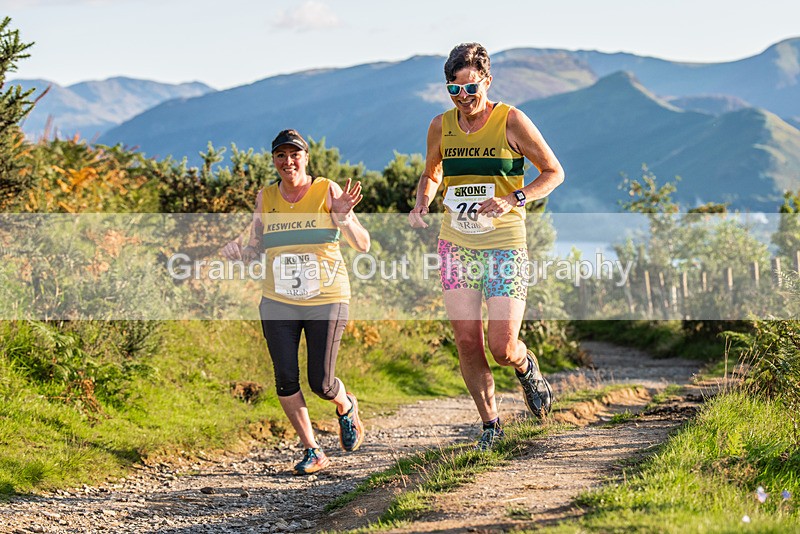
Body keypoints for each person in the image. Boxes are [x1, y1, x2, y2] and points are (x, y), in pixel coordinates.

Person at [408, 43, 565, 451]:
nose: (463, 98)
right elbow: (432, 171)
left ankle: (525, 365)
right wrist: (423, 197)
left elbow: (554, 172)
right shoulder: (440, 126)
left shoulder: (511, 120)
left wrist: (515, 198)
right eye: (454, 90)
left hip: (504, 243)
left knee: (501, 346)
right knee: (465, 340)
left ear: (487, 80)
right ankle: (491, 424)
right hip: (456, 242)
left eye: (470, 87)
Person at [222, 129, 370, 474]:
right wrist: (238, 255)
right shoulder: (267, 197)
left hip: (327, 298)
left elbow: (362, 244)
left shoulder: (327, 190)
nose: (288, 162)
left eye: (294, 155)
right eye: (280, 156)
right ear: (274, 160)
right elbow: (257, 250)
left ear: (306, 158)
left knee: (321, 383)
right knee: (285, 377)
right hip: (278, 299)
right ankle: (312, 449)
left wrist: (344, 216)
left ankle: (345, 405)